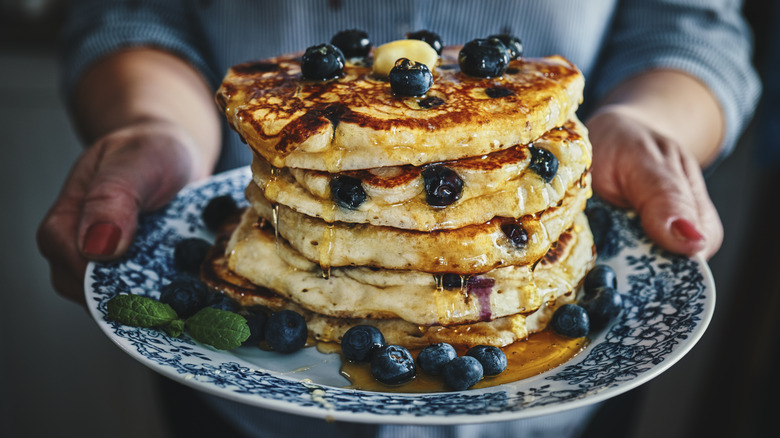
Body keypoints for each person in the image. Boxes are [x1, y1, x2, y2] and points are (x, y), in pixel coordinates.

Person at [37, 1, 760, 437]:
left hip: (554, 417)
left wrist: (642, 122)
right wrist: (154, 123)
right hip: (248, 413)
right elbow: (128, 12)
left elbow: (690, 25)